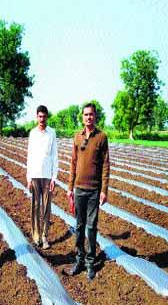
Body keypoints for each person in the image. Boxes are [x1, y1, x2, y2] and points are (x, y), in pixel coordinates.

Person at [67, 103, 110, 280]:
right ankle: (79, 259)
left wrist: (104, 190)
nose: (88, 117)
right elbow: (73, 163)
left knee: (91, 228)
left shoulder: (101, 137)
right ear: (82, 117)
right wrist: (70, 187)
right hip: (79, 189)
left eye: (91, 114)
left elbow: (106, 165)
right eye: (85, 115)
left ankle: (91, 262)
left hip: (93, 190)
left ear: (95, 116)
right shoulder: (77, 137)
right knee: (79, 226)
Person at [27, 105, 58, 250]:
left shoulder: (51, 133)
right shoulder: (32, 133)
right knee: (35, 206)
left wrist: (54, 178)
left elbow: (55, 156)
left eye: (44, 116)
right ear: (36, 117)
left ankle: (45, 236)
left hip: (46, 176)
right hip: (34, 175)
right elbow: (30, 155)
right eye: (39, 116)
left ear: (47, 117)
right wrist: (28, 177)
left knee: (46, 207)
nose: (42, 119)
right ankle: (36, 236)